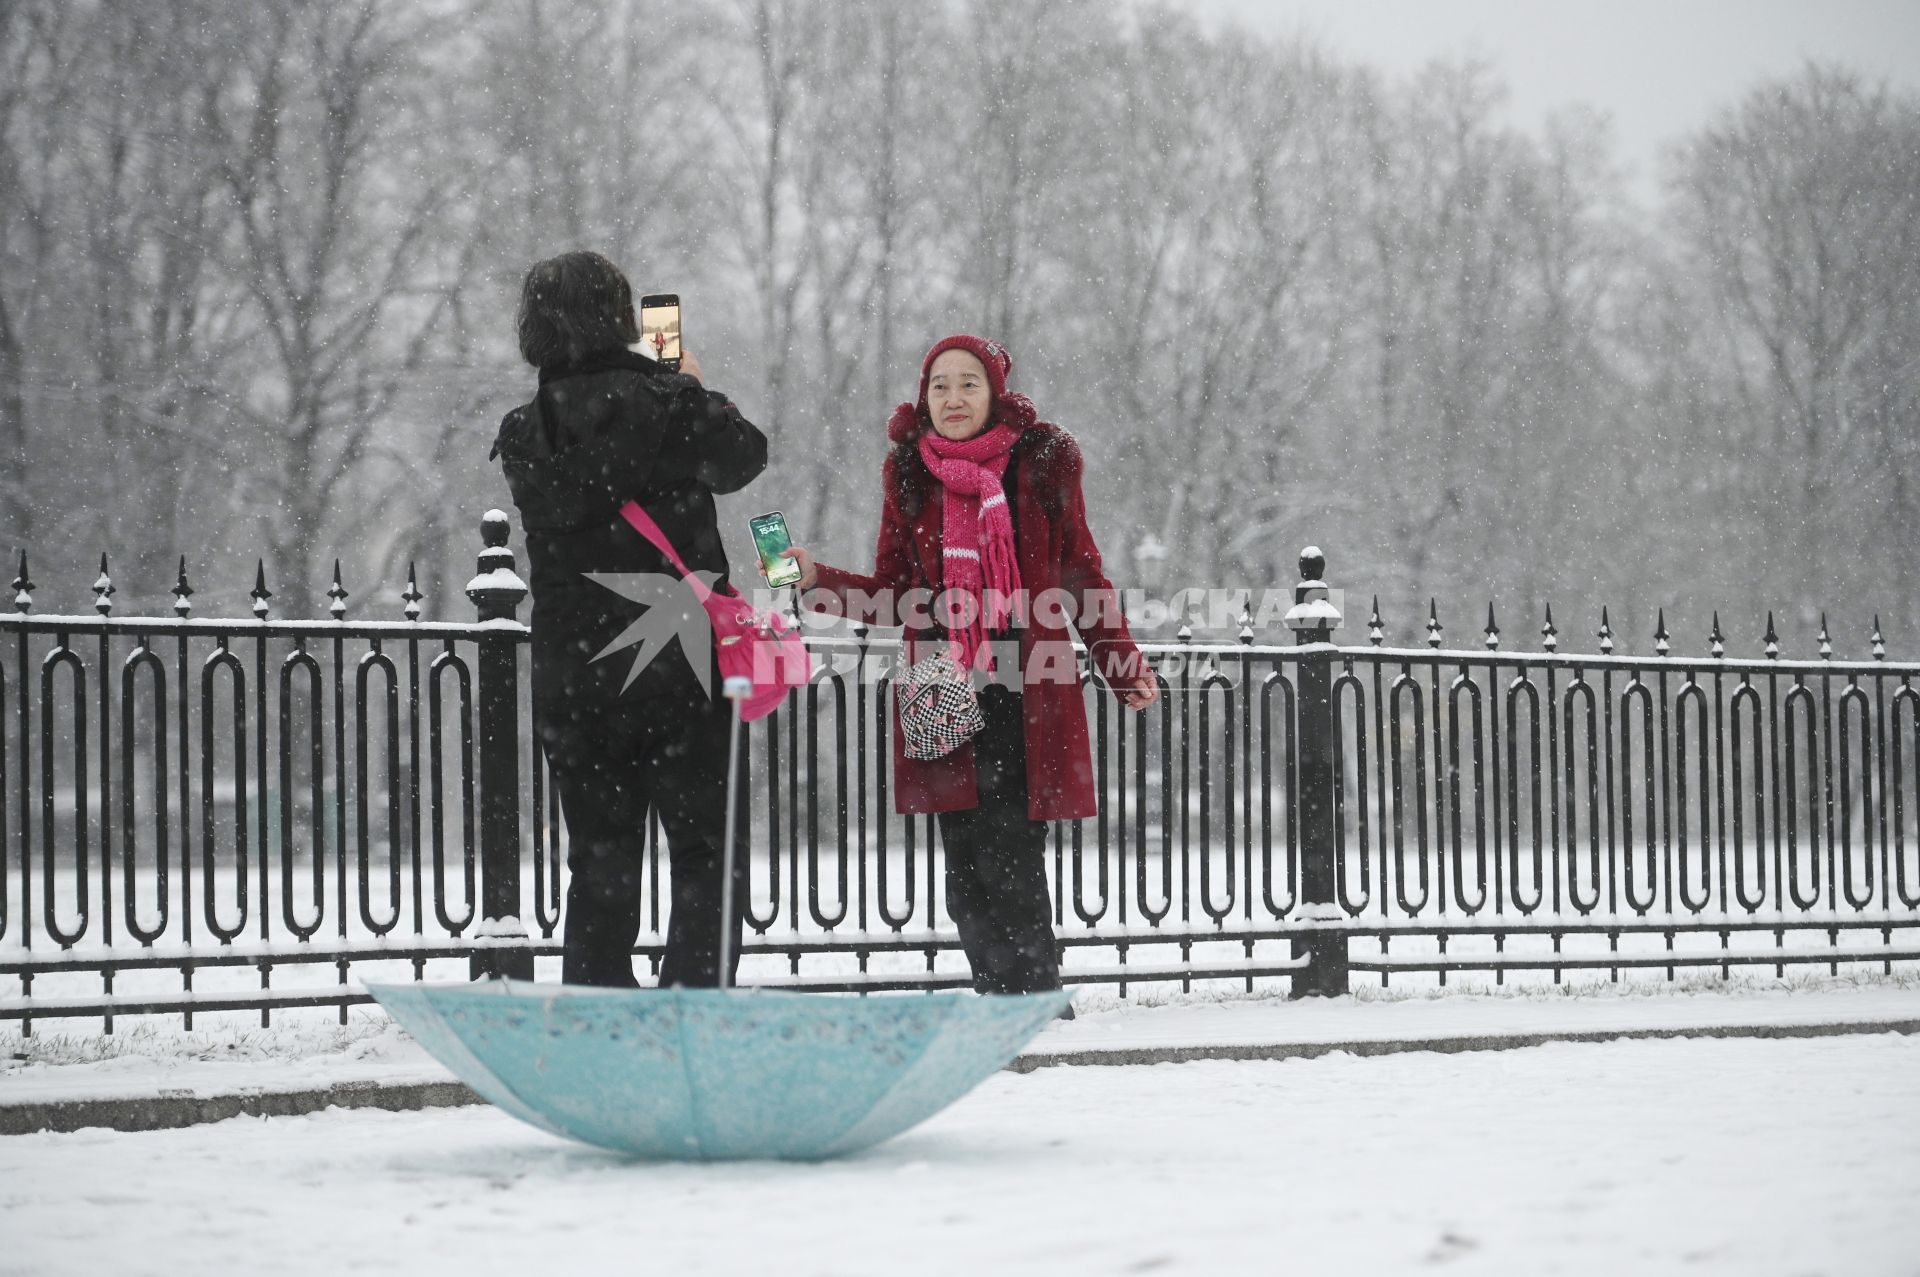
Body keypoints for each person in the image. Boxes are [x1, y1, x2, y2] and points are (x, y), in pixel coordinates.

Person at [778, 335, 1158, 997]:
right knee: (963, 859)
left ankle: (1033, 992)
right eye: (940, 386)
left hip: (1024, 679)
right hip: (942, 683)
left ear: (995, 393)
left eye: (968, 384)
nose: (953, 398)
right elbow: (896, 593)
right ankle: (994, 991)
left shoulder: (1042, 463)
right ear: (924, 397)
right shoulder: (908, 473)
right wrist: (816, 580)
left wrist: (1119, 660)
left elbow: (1079, 572)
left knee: (1011, 848)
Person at [490, 251, 768, 987]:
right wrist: (687, 383)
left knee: (600, 858)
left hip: (574, 677)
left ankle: (599, 1015)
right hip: (681, 667)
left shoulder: (523, 433)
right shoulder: (673, 404)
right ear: (621, 317)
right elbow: (744, 459)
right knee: (708, 852)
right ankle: (690, 1010)